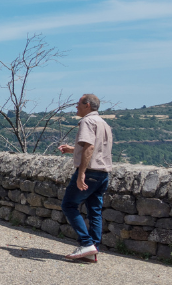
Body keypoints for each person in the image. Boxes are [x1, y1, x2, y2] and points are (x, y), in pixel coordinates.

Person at [57, 93, 113, 263]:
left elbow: (89, 148)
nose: (76, 107)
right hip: (103, 173)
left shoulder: (87, 121)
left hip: (90, 173)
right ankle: (92, 249)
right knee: (94, 211)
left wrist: (81, 174)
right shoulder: (104, 124)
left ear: (87, 105)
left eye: (78, 104)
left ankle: (86, 243)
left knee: (69, 205)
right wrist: (73, 149)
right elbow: (94, 148)